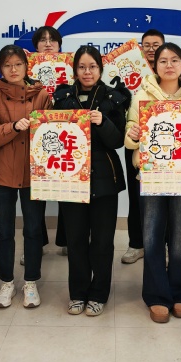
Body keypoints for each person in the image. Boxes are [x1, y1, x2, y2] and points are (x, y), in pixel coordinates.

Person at [125, 43, 181, 323]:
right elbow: (129, 137)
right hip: (152, 176)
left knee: (180, 235)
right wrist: (133, 134)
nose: (169, 65)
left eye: (174, 60)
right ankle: (156, 295)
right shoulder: (142, 94)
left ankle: (180, 292)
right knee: (152, 235)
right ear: (155, 65)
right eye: (163, 60)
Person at [53, 46, 130, 316]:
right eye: (82, 67)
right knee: (75, 241)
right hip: (70, 179)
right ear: (75, 70)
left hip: (105, 179)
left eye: (92, 67)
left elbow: (118, 141)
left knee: (102, 242)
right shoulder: (61, 98)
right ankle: (77, 293)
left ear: (100, 69)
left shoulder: (113, 98)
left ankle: (99, 294)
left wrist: (102, 121)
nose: (87, 72)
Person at [0, 45, 52, 308]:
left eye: (18, 64)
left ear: (27, 66)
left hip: (34, 173)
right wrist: (13, 127)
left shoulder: (42, 95)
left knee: (34, 229)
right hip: (2, 173)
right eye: (7, 65)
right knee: (4, 230)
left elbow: (52, 131)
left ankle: (31, 282)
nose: (13, 69)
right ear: (0, 69)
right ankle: (6, 282)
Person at [121, 28, 166, 264]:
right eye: (146, 45)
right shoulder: (130, 68)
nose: (150, 49)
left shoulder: (172, 73)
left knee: (167, 198)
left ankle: (164, 245)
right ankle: (136, 244)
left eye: (155, 44)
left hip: (167, 145)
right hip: (136, 140)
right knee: (136, 196)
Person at [29, 26, 68, 259]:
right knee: (36, 192)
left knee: (68, 190)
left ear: (59, 45)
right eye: (42, 40)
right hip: (34, 135)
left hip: (65, 133)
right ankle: (37, 243)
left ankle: (67, 240)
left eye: (52, 40)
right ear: (35, 46)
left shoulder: (71, 68)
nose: (47, 44)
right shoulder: (26, 72)